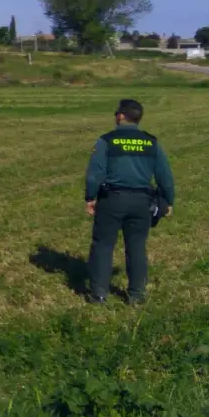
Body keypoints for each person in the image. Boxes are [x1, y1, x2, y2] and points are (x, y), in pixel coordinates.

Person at [84, 98, 176, 305]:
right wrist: (168, 200)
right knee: (136, 246)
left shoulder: (106, 141)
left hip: (111, 199)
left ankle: (99, 294)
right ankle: (136, 295)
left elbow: (95, 174)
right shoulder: (151, 142)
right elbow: (165, 176)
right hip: (142, 202)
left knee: (103, 245)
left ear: (120, 116)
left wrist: (90, 197)